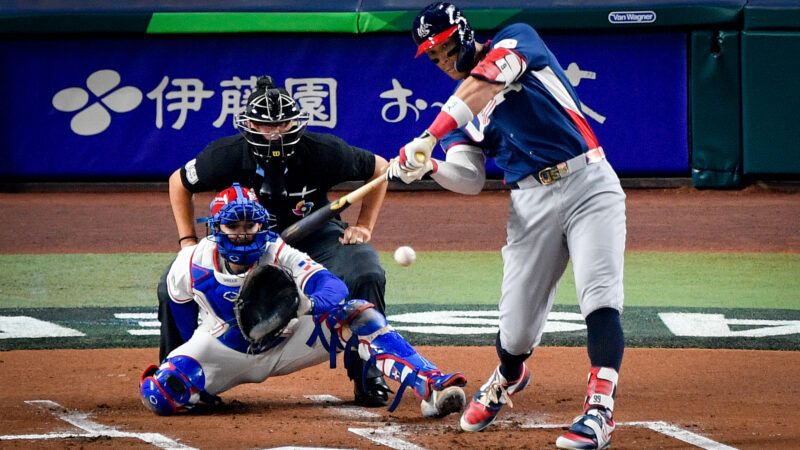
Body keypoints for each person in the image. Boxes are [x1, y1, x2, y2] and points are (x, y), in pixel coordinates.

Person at [389, 3, 626, 449]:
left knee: (599, 294)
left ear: (462, 34)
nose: (442, 63)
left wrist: (428, 136)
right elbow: (471, 178)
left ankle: (599, 412)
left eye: (443, 50)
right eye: (433, 57)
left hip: (589, 182)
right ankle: (508, 376)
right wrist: (431, 167)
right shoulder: (461, 110)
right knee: (515, 333)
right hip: (529, 204)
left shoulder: (515, 40)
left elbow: (484, 84)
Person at [158, 75, 392, 407]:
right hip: (241, 242)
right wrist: (187, 242)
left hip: (314, 237)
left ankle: (369, 373)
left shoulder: (323, 151)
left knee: (366, 273)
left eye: (283, 123)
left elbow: (380, 169)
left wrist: (364, 226)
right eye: (266, 125)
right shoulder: (226, 154)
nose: (275, 132)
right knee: (170, 285)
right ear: (248, 124)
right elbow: (178, 182)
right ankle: (176, 377)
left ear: (296, 122)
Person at [141, 184, 467, 419]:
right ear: (216, 228)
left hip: (289, 343)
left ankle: (431, 386)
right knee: (161, 393)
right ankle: (203, 393)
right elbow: (180, 308)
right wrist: (190, 357)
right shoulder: (190, 263)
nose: (243, 233)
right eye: (233, 225)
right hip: (223, 349)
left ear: (261, 225)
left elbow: (331, 286)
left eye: (250, 225)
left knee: (356, 313)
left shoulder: (278, 252)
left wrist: (304, 303)